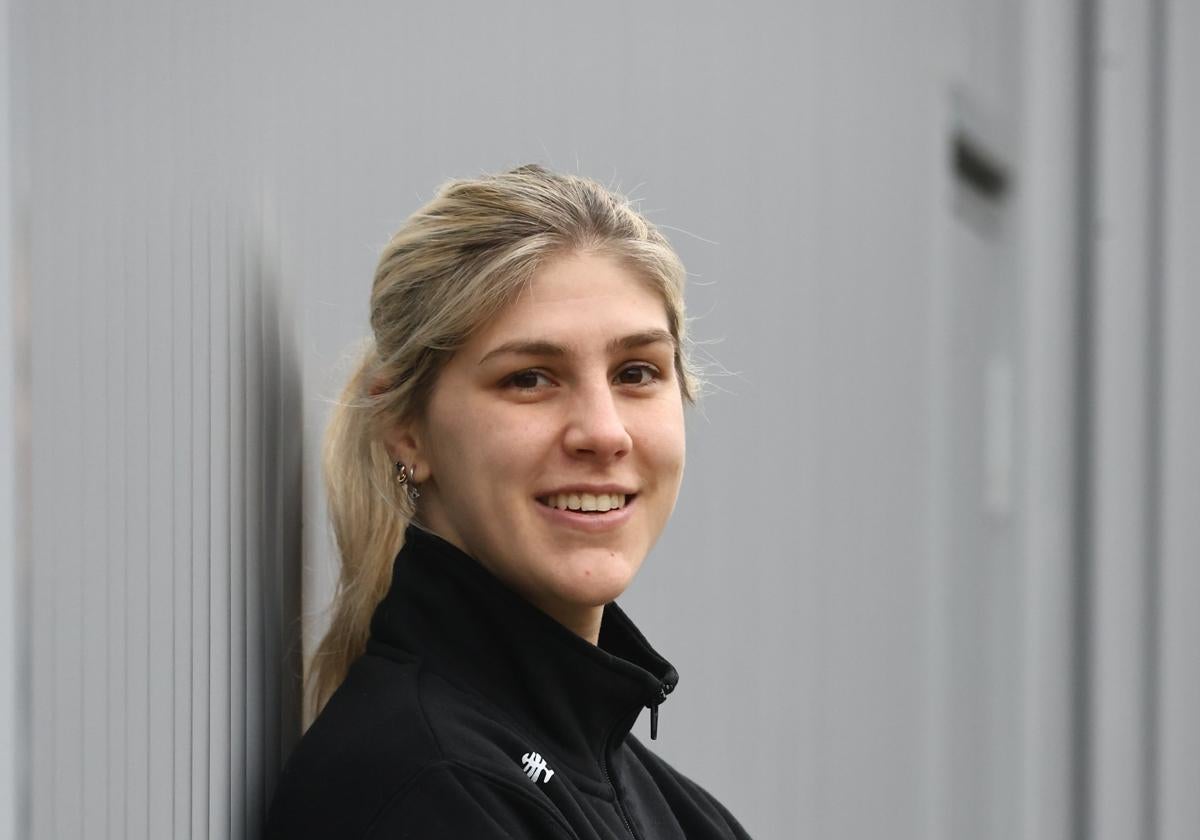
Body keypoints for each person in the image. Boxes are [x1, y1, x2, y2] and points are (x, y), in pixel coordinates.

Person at [264, 165, 752, 839]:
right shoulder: (424, 791)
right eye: (530, 379)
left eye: (636, 372)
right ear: (408, 430)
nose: (604, 432)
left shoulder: (682, 817)